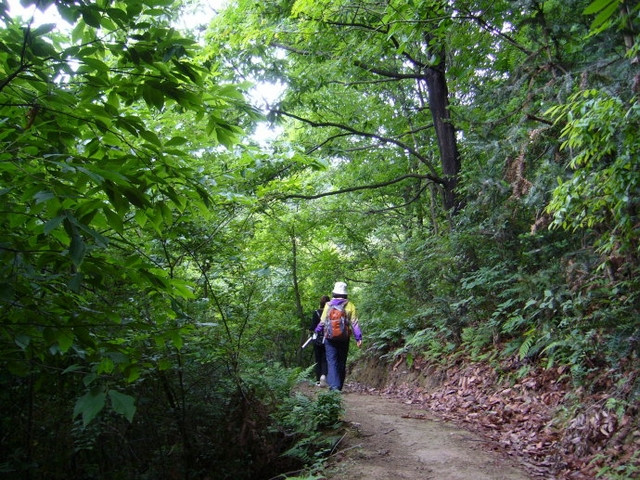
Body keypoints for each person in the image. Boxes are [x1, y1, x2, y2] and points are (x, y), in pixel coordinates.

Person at [314, 281, 362, 391]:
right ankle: (338, 386)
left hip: (330, 338)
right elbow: (354, 324)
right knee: (341, 361)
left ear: (334, 293)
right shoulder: (350, 305)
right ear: (345, 294)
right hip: (344, 338)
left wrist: (317, 331)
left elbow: (322, 322)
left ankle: (334, 387)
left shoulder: (328, 305)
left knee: (332, 361)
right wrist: (358, 338)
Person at [309, 295, 330, 387]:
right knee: (325, 359)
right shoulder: (330, 312)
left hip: (317, 338)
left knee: (318, 359)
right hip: (328, 338)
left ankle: (318, 380)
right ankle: (324, 376)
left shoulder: (316, 312)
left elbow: (312, 327)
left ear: (320, 303)